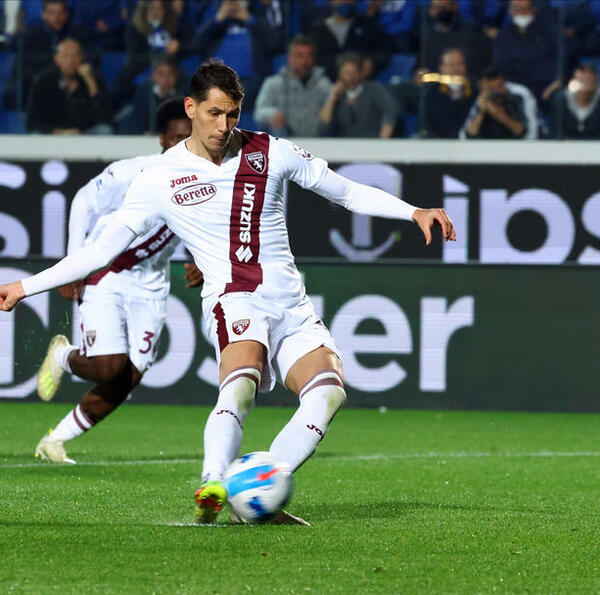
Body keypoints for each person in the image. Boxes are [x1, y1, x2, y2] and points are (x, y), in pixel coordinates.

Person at [0, 62, 455, 525]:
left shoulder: (271, 151)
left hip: (291, 304)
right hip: (235, 299)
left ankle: (254, 493)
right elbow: (100, 251)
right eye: (214, 113)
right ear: (191, 108)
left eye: (233, 114)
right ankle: (213, 482)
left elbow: (346, 192)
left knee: (329, 393)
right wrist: (25, 287)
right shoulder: (159, 177)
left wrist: (413, 211)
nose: (224, 125)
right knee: (241, 384)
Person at [34, 98, 201, 465]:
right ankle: (63, 355)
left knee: (129, 376)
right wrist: (74, 262)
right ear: (162, 139)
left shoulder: (205, 180)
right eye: (177, 138)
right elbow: (84, 201)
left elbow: (205, 227)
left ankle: (55, 440)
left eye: (190, 138)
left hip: (151, 285)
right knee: (109, 367)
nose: (184, 145)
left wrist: (202, 263)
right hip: (106, 273)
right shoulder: (132, 172)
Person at [26, 38, 112, 134]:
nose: (71, 61)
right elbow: (33, 121)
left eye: (75, 56)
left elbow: (105, 117)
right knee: (35, 134)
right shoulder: (43, 81)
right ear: (56, 60)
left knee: (105, 130)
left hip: (84, 133)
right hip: (54, 133)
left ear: (82, 57)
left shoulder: (93, 78)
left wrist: (91, 83)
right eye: (65, 56)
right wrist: (59, 132)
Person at [253, 35, 332, 137]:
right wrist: (272, 114)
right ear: (290, 58)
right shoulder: (273, 83)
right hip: (285, 140)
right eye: (300, 56)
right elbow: (259, 112)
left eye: (309, 56)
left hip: (318, 141)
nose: (305, 61)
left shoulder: (323, 84)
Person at [493, 0, 559, 104]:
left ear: (534, 9)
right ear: (510, 11)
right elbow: (500, 66)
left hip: (543, 89)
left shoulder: (550, 34)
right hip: (512, 89)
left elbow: (558, 63)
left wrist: (555, 83)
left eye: (525, 9)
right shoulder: (503, 36)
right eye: (517, 9)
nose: (521, 13)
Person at [319, 51, 397, 138]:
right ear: (340, 74)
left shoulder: (374, 89)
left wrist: (383, 138)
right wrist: (332, 98)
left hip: (371, 142)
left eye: (354, 73)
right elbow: (323, 125)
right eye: (347, 73)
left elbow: (390, 110)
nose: (351, 77)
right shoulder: (335, 94)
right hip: (342, 144)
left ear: (360, 73)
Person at [461, 66, 528, 139]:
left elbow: (521, 131)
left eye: (496, 88)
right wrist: (481, 112)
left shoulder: (515, 99)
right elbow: (470, 134)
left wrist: (495, 112)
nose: (493, 92)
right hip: (485, 144)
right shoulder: (480, 101)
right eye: (488, 89)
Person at [422, 47, 475, 138]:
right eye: (451, 65)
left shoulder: (475, 90)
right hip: (438, 142)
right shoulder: (432, 92)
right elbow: (428, 125)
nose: (456, 68)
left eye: (460, 63)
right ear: (442, 68)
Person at [550, 64, 600, 140]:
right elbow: (555, 133)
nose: (585, 86)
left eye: (590, 82)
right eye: (581, 81)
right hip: (565, 146)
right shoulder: (560, 101)